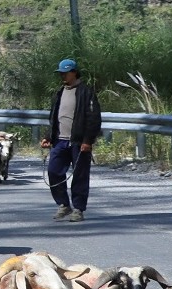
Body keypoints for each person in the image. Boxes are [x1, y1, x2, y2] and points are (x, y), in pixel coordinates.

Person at [40, 58, 102, 222]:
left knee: (80, 175)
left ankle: (78, 209)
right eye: (61, 73)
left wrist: (88, 141)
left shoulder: (86, 92)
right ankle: (63, 204)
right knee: (53, 171)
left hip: (78, 142)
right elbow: (54, 118)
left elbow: (93, 118)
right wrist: (48, 136)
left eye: (65, 73)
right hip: (59, 141)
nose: (62, 76)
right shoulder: (59, 92)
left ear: (74, 72)